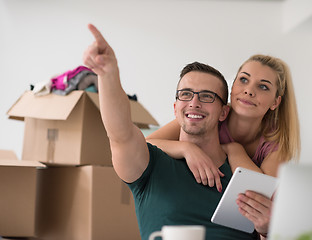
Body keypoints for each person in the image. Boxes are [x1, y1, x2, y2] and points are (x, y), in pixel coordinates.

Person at [83, 24, 259, 240]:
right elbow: (121, 133)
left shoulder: (241, 171)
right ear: (175, 108)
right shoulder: (151, 165)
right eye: (186, 94)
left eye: (207, 96)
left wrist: (267, 228)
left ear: (224, 112)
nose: (194, 103)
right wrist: (109, 73)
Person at [146, 54, 301, 239]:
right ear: (232, 87)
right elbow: (146, 144)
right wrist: (187, 149)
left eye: (263, 86)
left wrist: (234, 150)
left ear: (275, 102)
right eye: (243, 80)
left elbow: (260, 201)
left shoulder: (275, 146)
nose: (249, 91)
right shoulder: (207, 114)